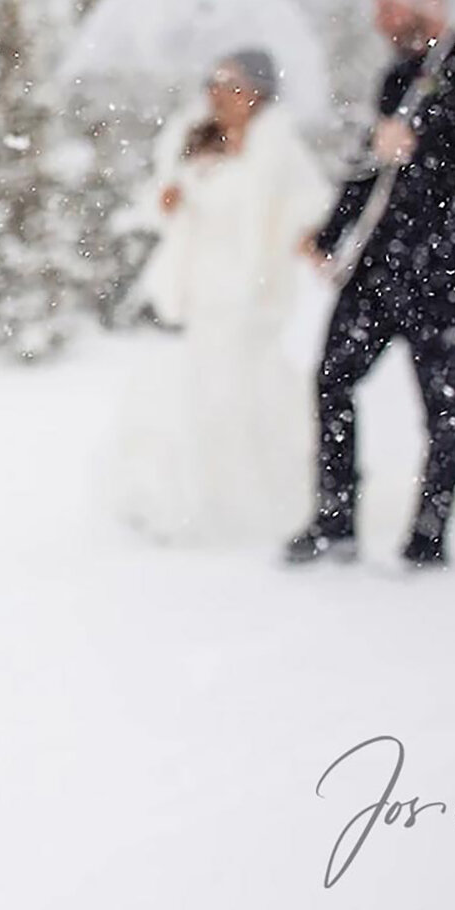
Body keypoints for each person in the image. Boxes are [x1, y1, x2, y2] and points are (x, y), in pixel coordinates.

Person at [285, 0, 455, 569]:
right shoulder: (398, 79)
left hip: (448, 272)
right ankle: (334, 518)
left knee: (441, 405)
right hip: (383, 267)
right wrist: (331, 236)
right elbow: (371, 175)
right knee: (332, 378)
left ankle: (429, 534)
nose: (379, 19)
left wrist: (423, 151)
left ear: (426, 2)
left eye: (389, 7)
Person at [105, 48, 328, 544]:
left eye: (230, 83)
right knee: (209, 393)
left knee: (250, 390)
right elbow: (165, 205)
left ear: (258, 92)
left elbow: (311, 206)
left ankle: (266, 500)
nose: (217, 92)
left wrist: (303, 236)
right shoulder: (194, 140)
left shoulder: (278, 149)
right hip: (206, 288)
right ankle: (204, 500)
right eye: (212, 81)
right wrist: (168, 201)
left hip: (253, 292)